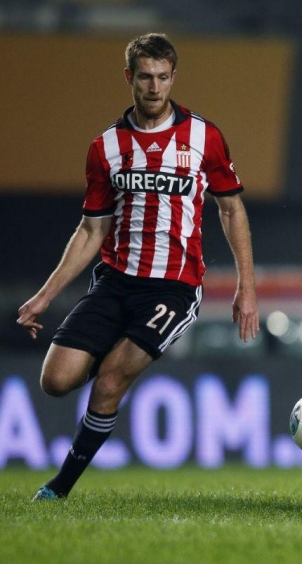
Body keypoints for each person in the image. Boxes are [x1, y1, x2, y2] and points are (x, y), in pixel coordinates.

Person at [17, 33, 259, 501]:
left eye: (163, 77)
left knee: (110, 380)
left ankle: (59, 488)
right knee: (55, 381)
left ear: (174, 77)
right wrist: (45, 295)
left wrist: (246, 286)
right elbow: (91, 230)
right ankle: (102, 366)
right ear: (130, 77)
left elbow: (232, 210)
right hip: (114, 282)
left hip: (173, 287)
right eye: (145, 77)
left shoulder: (203, 137)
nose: (154, 87)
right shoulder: (105, 147)